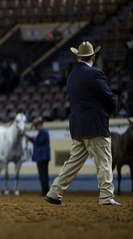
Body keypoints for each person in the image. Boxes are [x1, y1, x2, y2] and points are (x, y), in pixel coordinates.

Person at [45, 41, 119, 206]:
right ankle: (107, 197)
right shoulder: (95, 74)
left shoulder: (71, 76)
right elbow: (108, 96)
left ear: (77, 56)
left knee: (72, 163)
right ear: (93, 57)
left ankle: (54, 192)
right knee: (104, 162)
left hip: (78, 127)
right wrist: (113, 110)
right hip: (96, 126)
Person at [26, 117, 50, 196]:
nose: (35, 128)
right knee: (43, 175)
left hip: (42, 157)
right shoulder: (43, 132)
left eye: (36, 126)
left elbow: (38, 142)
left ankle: (45, 191)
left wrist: (29, 138)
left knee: (43, 175)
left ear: (39, 125)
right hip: (42, 157)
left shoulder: (43, 132)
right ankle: (45, 191)